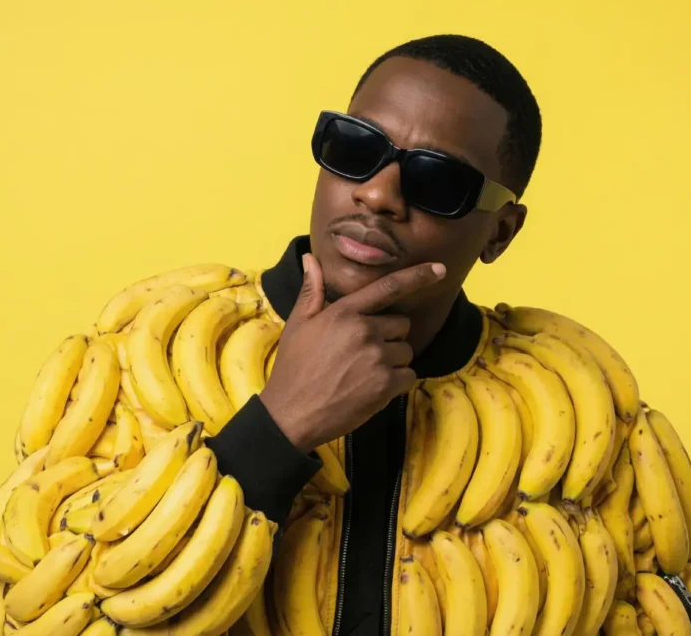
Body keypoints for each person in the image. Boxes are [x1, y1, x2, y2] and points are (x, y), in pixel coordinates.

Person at [204, 34, 542, 635]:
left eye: (438, 182)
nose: (378, 194)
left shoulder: (567, 410)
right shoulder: (148, 351)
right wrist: (279, 427)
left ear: (500, 233)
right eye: (355, 146)